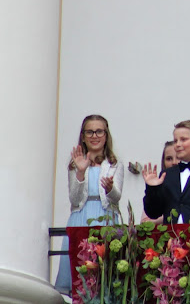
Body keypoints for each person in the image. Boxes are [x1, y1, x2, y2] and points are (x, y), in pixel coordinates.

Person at [55, 114, 124, 293]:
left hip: (106, 218)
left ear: (106, 135)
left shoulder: (115, 164)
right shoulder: (75, 164)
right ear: (83, 136)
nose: (95, 136)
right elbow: (75, 199)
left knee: (104, 273)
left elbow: (116, 198)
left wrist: (110, 188)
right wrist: (80, 172)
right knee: (80, 272)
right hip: (81, 218)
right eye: (90, 132)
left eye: (99, 131)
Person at [140, 141, 178, 225]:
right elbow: (145, 221)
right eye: (169, 159)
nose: (174, 162)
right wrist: (152, 188)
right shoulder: (158, 185)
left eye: (178, 157)